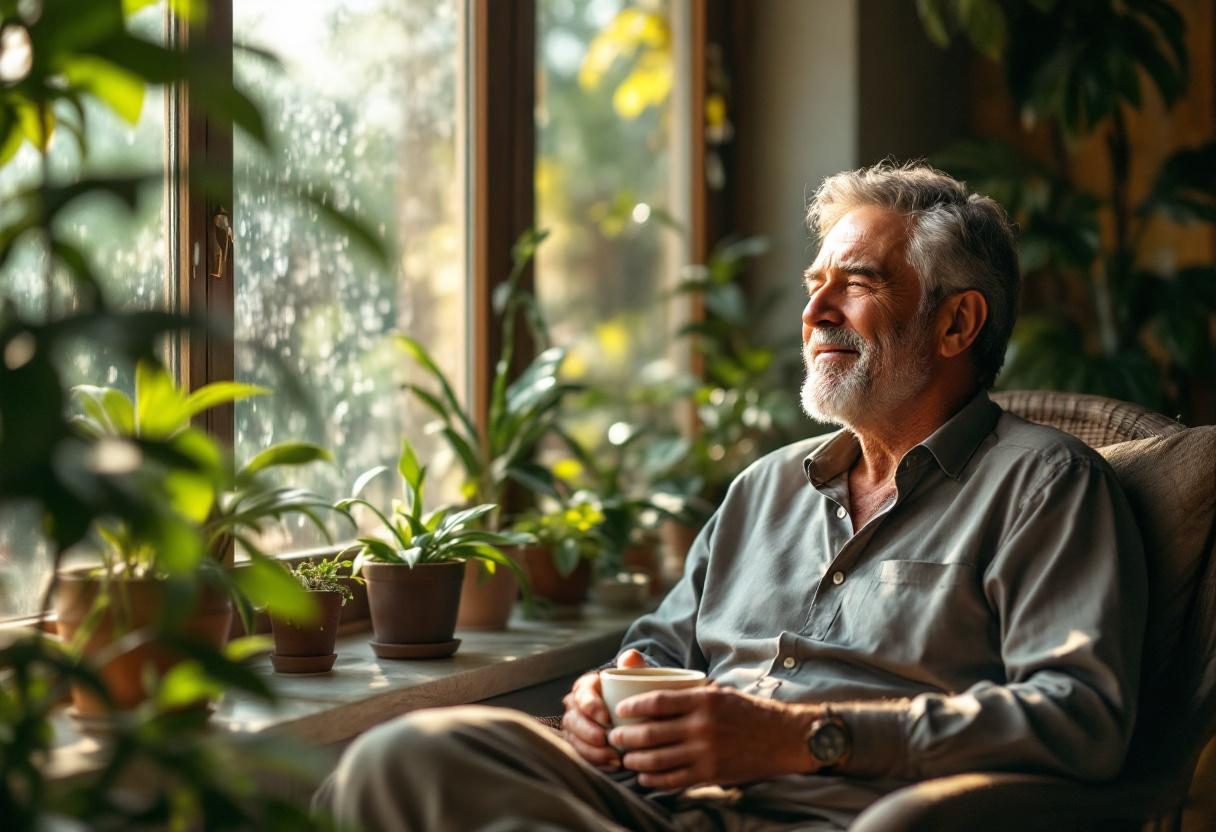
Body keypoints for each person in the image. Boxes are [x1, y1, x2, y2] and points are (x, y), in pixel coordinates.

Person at [313, 162, 1147, 831]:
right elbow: (655, 655)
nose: (814, 309)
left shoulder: (1047, 486)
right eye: (813, 283)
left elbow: (1077, 717)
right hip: (658, 808)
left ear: (957, 324)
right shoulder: (766, 487)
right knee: (407, 756)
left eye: (854, 282)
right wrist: (605, 700)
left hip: (851, 814)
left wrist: (806, 740)